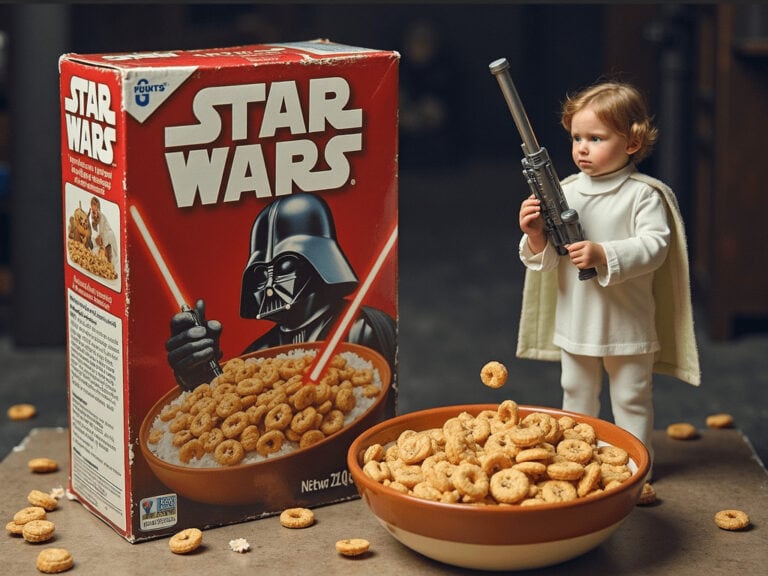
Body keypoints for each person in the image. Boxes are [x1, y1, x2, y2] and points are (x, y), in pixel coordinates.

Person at [516, 81, 700, 469]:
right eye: (577, 137)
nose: (582, 148)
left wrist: (603, 253)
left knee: (631, 398)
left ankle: (635, 467)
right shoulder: (563, 192)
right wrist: (535, 236)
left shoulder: (642, 195)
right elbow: (546, 261)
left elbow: (655, 247)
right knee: (575, 395)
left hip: (626, 322)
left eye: (596, 138)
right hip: (577, 319)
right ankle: (574, 463)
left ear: (632, 143)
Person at [165, 193, 397, 391]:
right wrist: (201, 375)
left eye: (285, 267)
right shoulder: (258, 353)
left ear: (320, 261)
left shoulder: (361, 328)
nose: (268, 287)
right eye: (260, 274)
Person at [90, 196, 118, 269]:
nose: (94, 214)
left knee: (105, 253)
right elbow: (94, 231)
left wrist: (101, 245)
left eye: (96, 211)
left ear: (98, 208)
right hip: (99, 239)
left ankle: (109, 262)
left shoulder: (101, 217)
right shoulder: (92, 217)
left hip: (107, 237)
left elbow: (102, 232)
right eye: (93, 211)